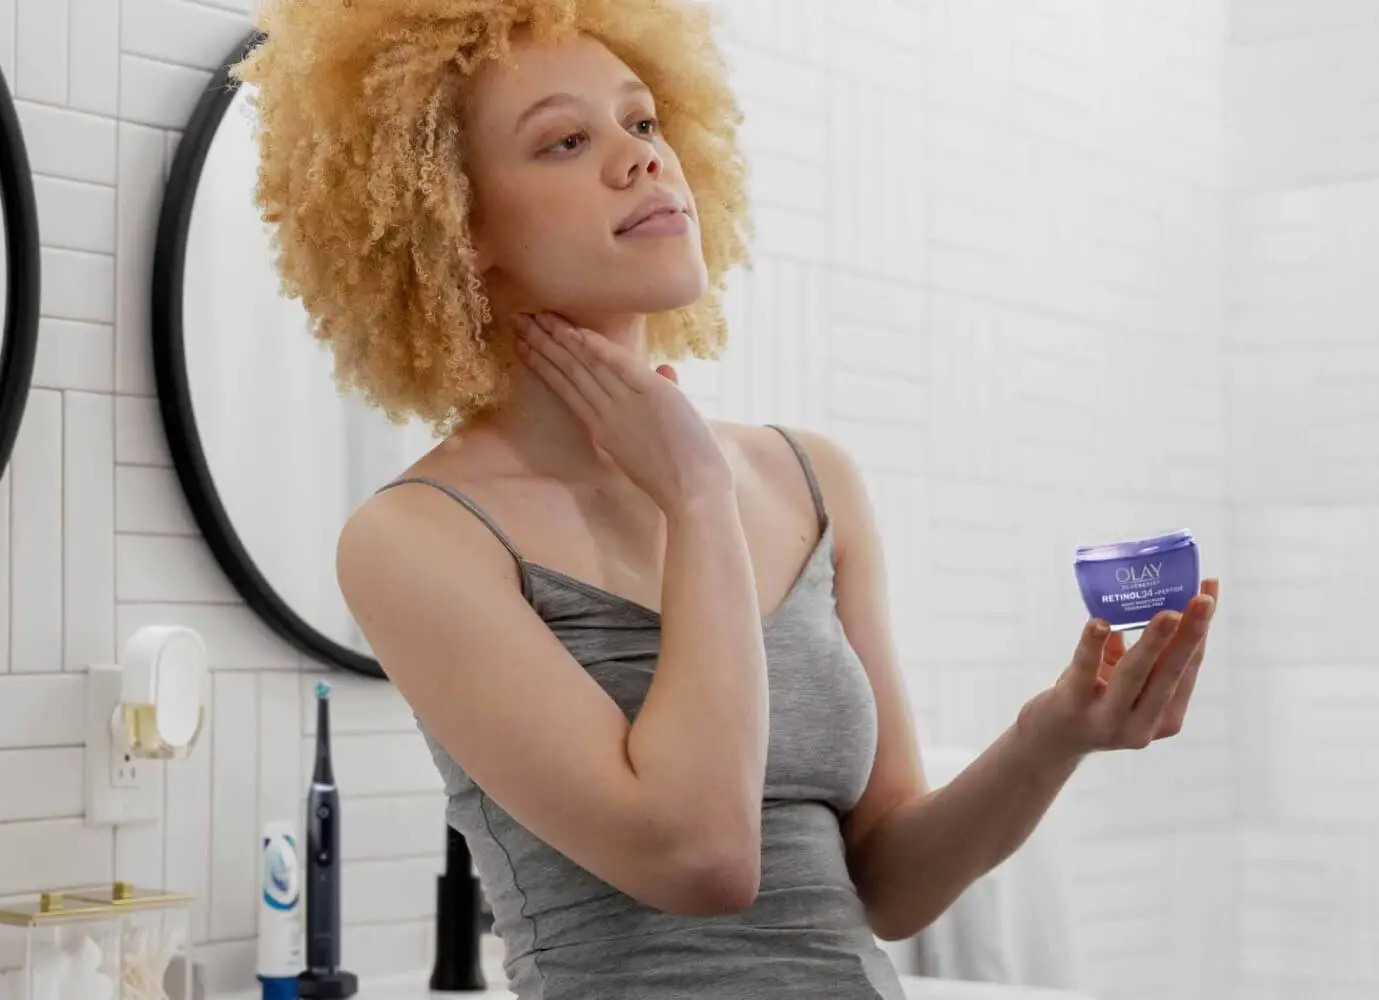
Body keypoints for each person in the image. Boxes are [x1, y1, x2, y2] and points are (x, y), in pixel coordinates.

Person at [238, 2, 1222, 996]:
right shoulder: (415, 538)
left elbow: (886, 886)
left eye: (643, 122)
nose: (637, 159)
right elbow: (699, 859)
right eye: (565, 141)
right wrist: (696, 502)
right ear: (452, 221)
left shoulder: (810, 479)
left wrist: (1054, 730)